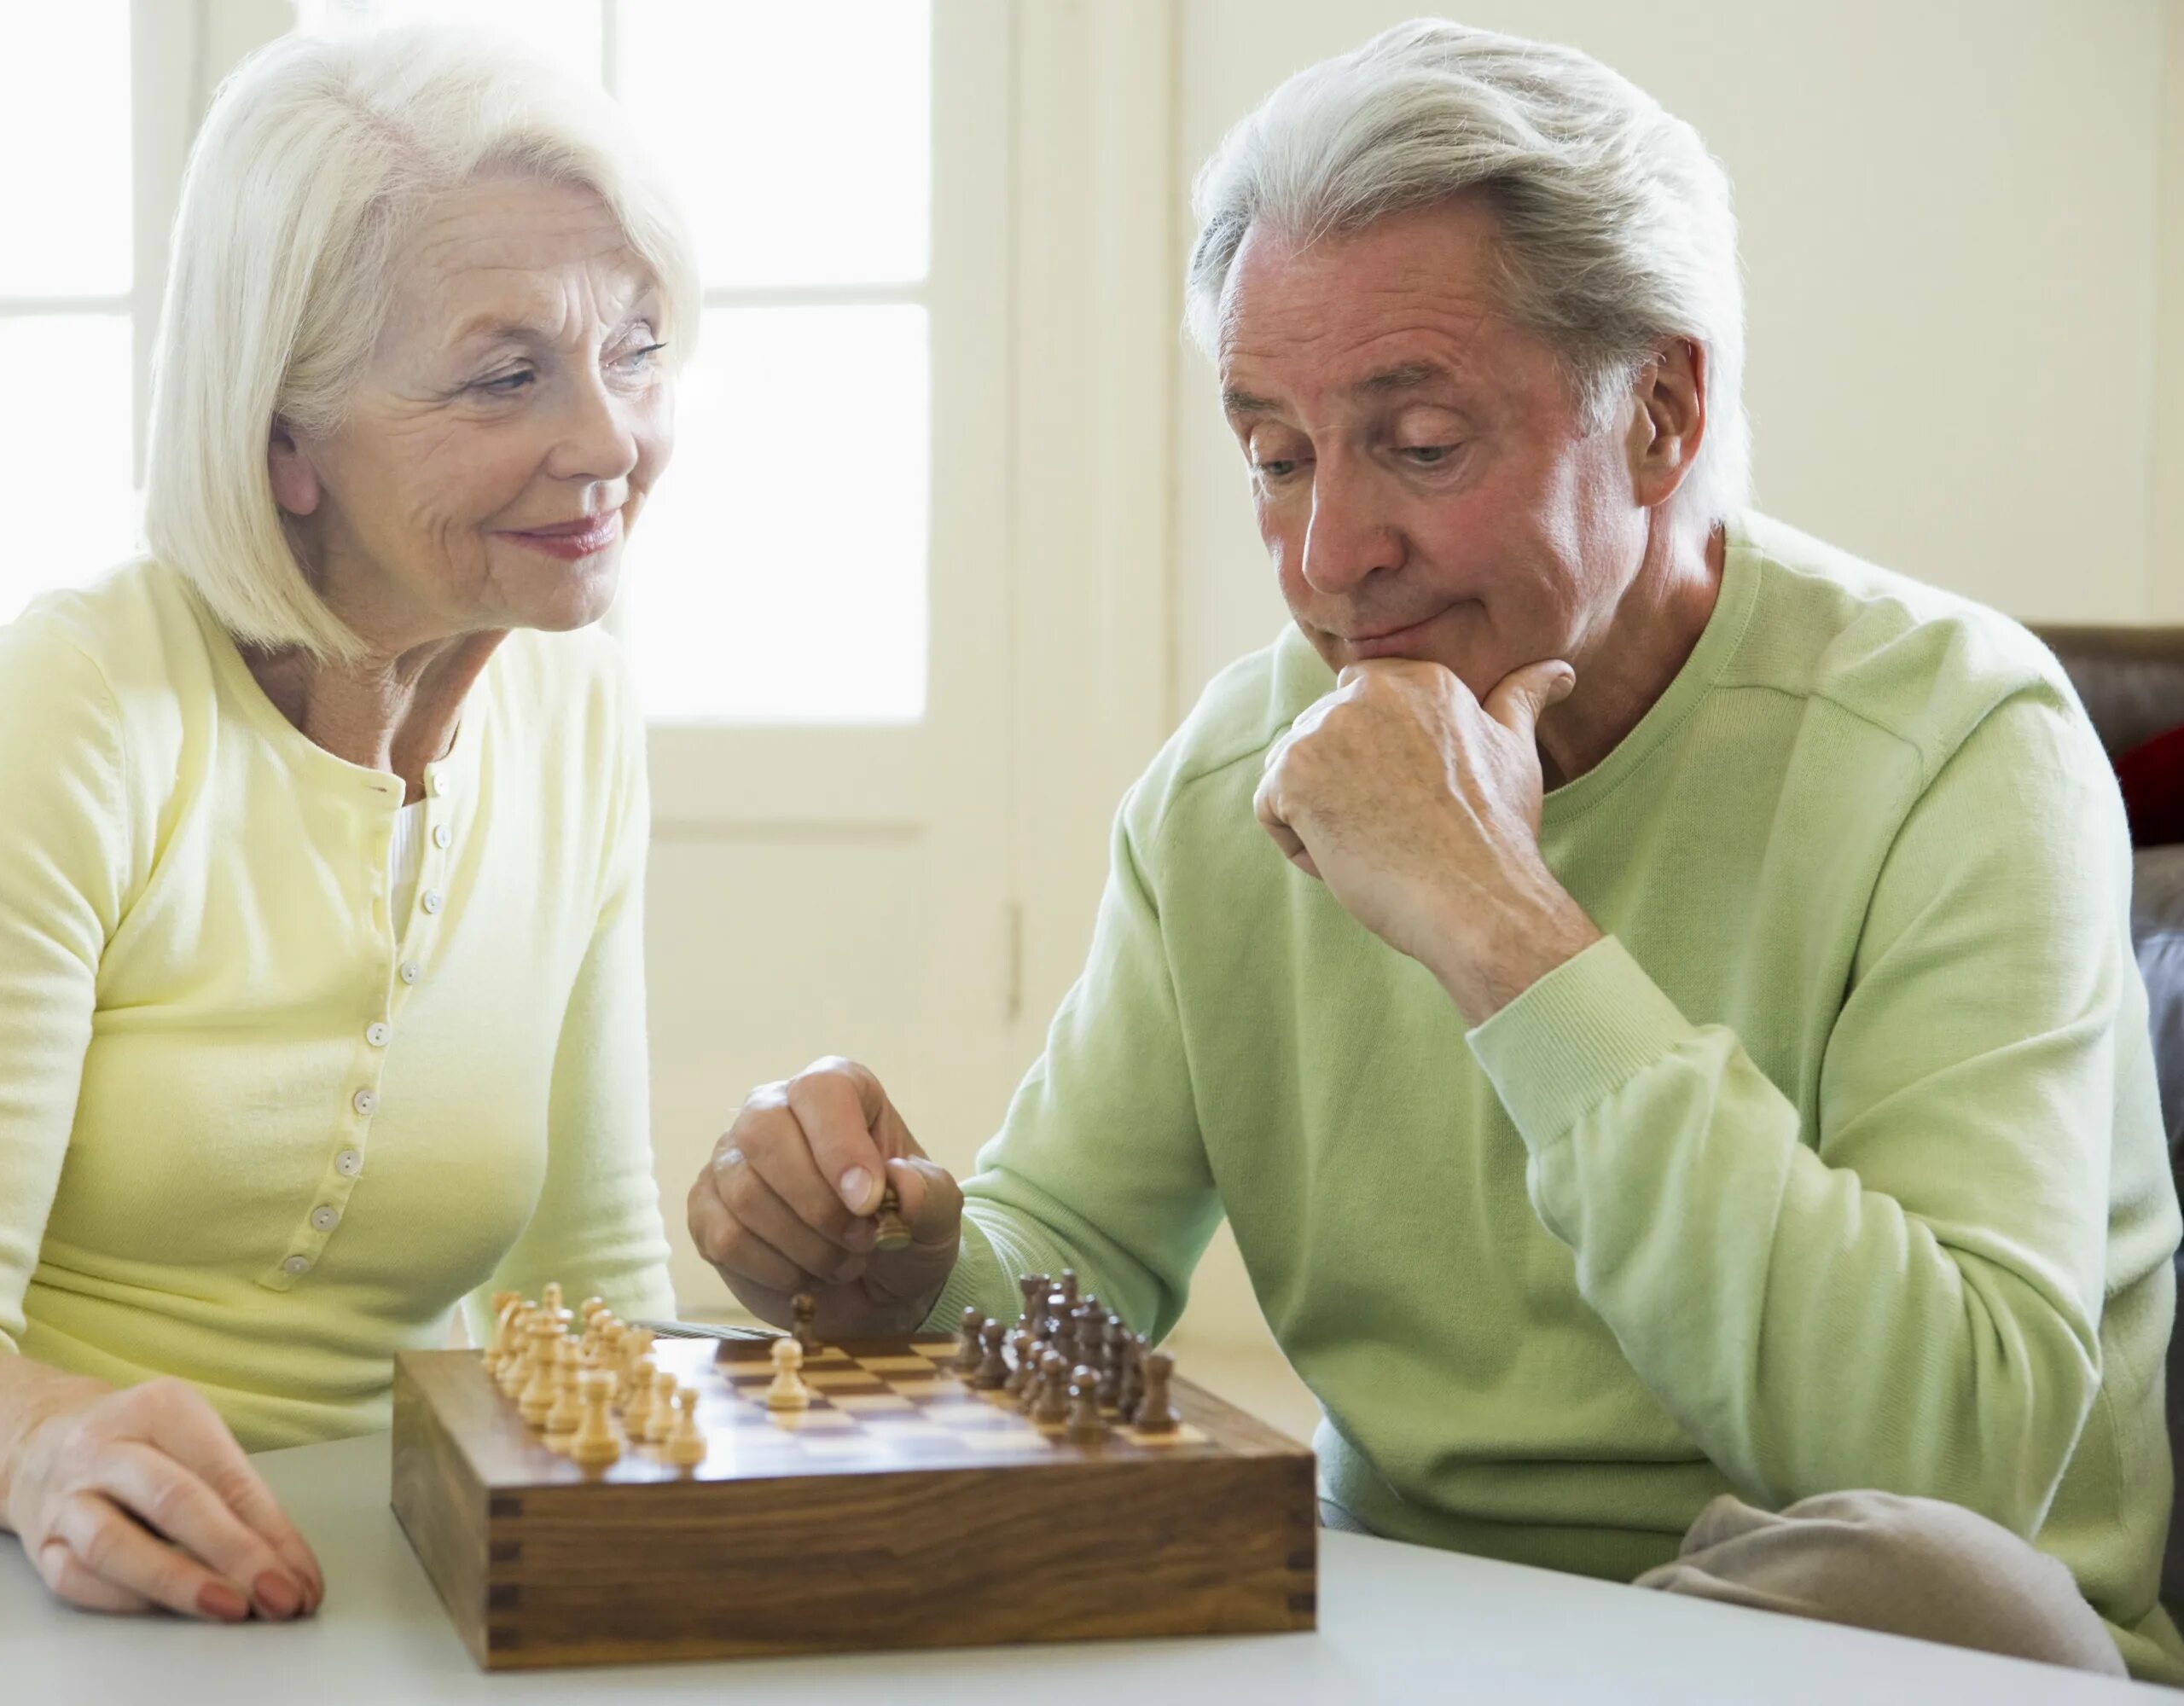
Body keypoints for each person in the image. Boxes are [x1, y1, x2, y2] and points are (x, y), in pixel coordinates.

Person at [688, 20, 2184, 1681]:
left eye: (1418, 442)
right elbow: (1068, 1257)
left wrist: (1502, 926)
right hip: (1409, 1624)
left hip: (1872, 1631)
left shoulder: (1965, 746)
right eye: (1275, 454)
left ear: (1662, 411)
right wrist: (898, 1261)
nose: (1333, 555)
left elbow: (1952, 1460)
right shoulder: (1231, 790)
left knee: (1932, 1585)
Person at [0, 25, 693, 1625]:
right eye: (508, 373)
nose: (609, 441)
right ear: (285, 439)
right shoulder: (76, 708)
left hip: (188, 1579)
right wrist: (50, 1446)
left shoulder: (583, 717)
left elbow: (587, 1299)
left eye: (637, 349)